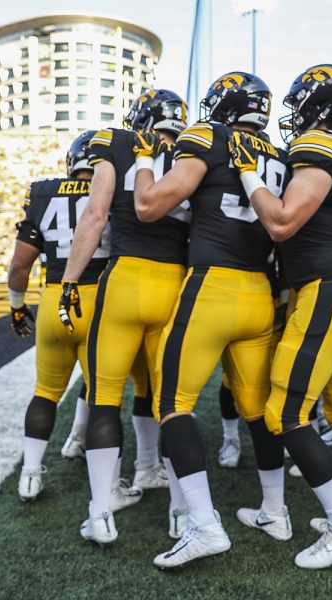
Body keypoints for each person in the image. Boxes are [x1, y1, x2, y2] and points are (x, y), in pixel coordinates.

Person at [133, 72, 287, 568]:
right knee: (259, 409)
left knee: (171, 403)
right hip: (260, 294)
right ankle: (275, 510)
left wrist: (141, 162)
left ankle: (202, 524)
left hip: (212, 288)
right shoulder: (279, 154)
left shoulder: (207, 135)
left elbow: (151, 204)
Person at [228, 63, 332, 569]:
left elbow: (283, 222)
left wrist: (248, 170)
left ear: (317, 103)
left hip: (329, 291)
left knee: (284, 414)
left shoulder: (320, 145)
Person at [57, 90, 190, 547]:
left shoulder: (115, 140)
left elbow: (95, 215)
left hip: (126, 278)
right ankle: (180, 510)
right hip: (175, 286)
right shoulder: (196, 148)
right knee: (170, 402)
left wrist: (70, 280)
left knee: (105, 396)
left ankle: (100, 513)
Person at [7, 131, 104, 503]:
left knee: (45, 392)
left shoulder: (44, 195)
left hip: (54, 300)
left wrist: (17, 305)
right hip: (100, 303)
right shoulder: (111, 195)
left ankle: (30, 474)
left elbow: (19, 266)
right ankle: (102, 482)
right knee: (102, 394)